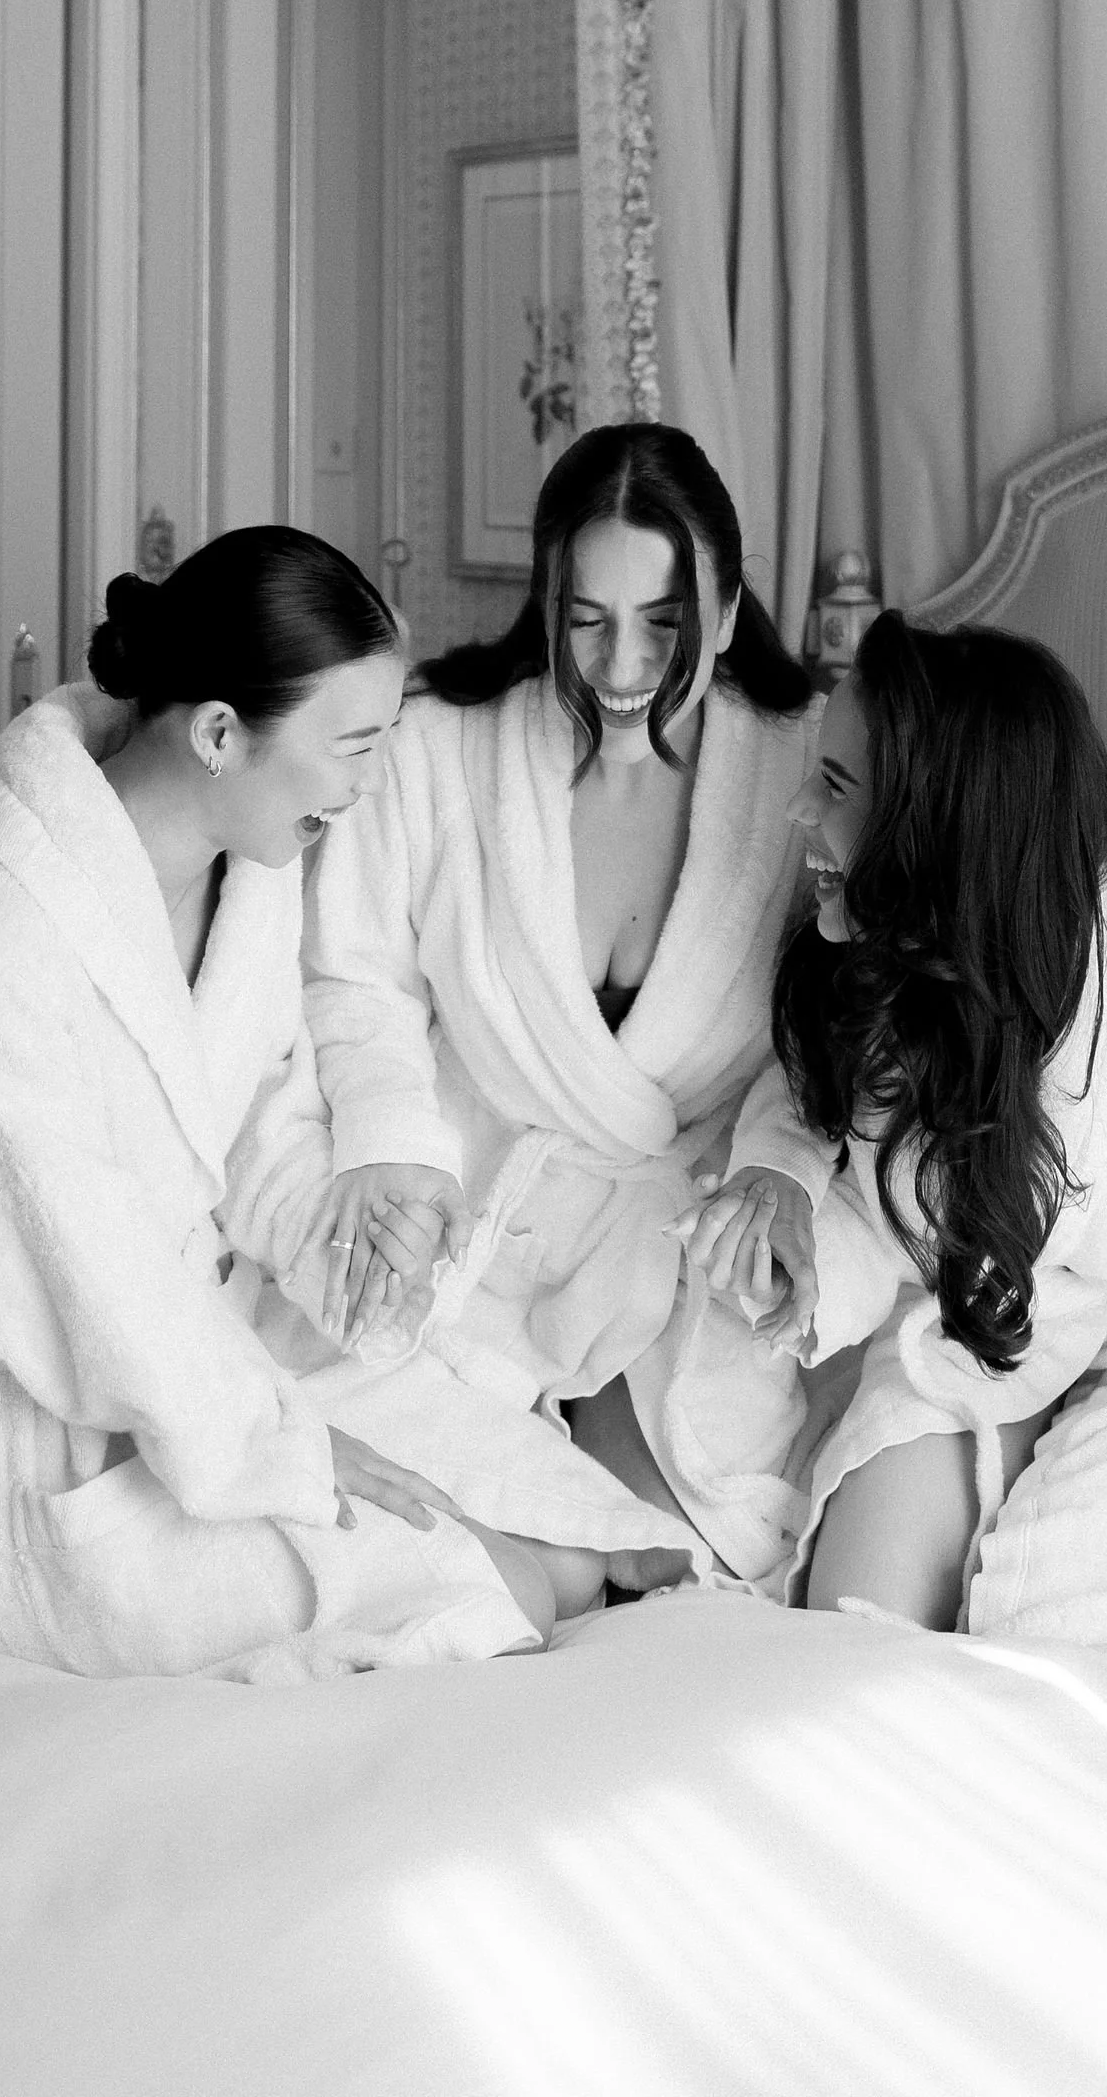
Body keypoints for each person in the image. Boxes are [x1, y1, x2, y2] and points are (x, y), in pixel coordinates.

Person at [0, 529, 680, 1682]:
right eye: (352, 747)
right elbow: (86, 1273)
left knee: (582, 1545)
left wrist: (345, 1234)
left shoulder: (249, 873)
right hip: (28, 1452)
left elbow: (251, 1124)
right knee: (514, 1587)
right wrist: (286, 1445)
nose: (368, 786)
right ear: (217, 733)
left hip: (202, 1362)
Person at [694, 612, 1107, 1642]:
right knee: (849, 1623)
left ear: (933, 823)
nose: (794, 814)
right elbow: (879, 1197)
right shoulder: (889, 972)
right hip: (1002, 1326)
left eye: (832, 786)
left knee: (1062, 1645)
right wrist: (808, 1254)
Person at [301, 425, 820, 1586]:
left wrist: (780, 1165)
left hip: (672, 1240)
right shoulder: (442, 745)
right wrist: (391, 1148)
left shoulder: (798, 773)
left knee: (668, 1575)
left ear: (730, 614)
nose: (620, 666)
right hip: (475, 1212)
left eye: (664, 623)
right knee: (420, 1550)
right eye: (585, 620)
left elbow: (822, 1027)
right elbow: (355, 972)